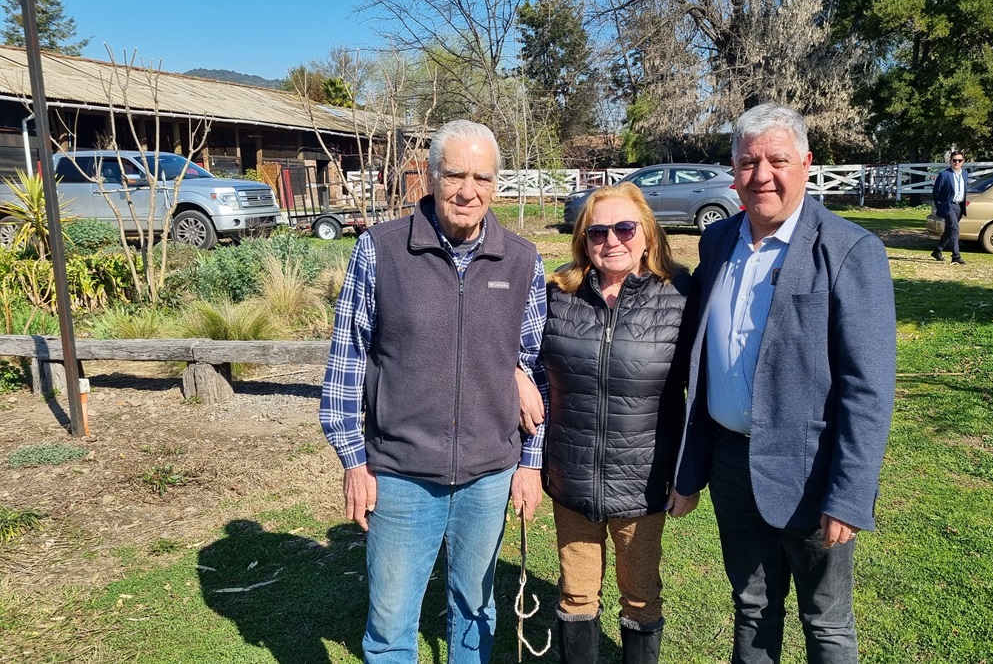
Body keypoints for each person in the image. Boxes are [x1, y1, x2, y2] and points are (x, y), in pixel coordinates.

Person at [672, 103, 896, 664]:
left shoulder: (848, 250)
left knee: (826, 622)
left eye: (777, 160)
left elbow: (867, 388)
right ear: (733, 171)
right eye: (749, 162)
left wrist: (849, 494)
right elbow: (701, 356)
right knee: (751, 606)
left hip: (810, 471)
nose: (762, 175)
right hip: (730, 464)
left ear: (805, 163)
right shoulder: (718, 241)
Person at [319, 119, 548, 663]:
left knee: (475, 611)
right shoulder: (381, 250)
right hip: (400, 473)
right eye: (454, 175)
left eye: (482, 178)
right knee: (392, 623)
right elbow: (347, 361)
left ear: (497, 184)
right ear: (430, 174)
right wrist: (355, 462)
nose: (467, 191)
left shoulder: (521, 260)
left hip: (490, 472)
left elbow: (536, 369)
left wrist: (530, 463)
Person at [540, 182, 693, 664]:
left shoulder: (681, 296)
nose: (612, 240)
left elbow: (700, 391)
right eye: (597, 231)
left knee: (641, 595)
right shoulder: (557, 294)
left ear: (646, 233)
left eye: (625, 228)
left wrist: (687, 474)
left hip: (642, 480)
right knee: (576, 596)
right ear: (583, 240)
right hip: (571, 477)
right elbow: (522, 361)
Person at [931, 151, 969, 265]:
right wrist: (941, 206)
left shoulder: (965, 174)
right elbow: (936, 192)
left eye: (959, 160)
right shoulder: (944, 175)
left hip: (959, 206)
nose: (957, 162)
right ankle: (956, 256)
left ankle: (937, 251)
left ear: (963, 161)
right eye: (954, 160)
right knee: (955, 229)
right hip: (948, 206)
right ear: (950, 161)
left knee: (949, 230)